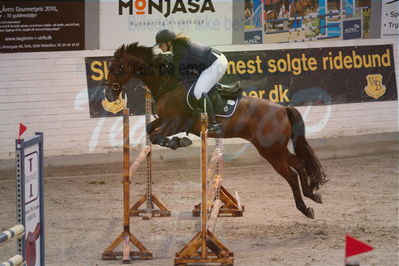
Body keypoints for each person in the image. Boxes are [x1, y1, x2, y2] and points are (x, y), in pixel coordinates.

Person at [155, 29, 227, 135]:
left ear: (168, 42)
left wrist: (166, 62)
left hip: (216, 64)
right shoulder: (178, 47)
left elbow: (178, 75)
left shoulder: (179, 49)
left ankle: (214, 124)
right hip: (213, 62)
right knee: (199, 88)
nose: (160, 47)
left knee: (198, 92)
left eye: (161, 45)